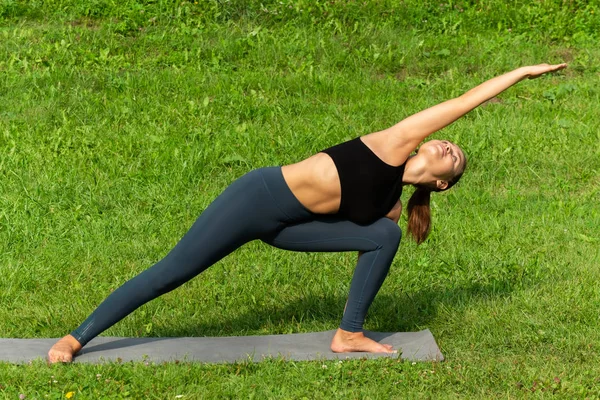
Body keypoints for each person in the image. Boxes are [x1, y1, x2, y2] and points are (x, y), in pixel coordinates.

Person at [48, 63, 566, 363]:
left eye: (453, 157)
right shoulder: (394, 142)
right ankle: (76, 337)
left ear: (442, 183)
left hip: (288, 228)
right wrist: (523, 72)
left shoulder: (389, 206)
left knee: (385, 239)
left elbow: (364, 231)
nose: (447, 144)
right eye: (447, 143)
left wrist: (382, 225)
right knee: (170, 273)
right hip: (256, 199)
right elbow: (465, 100)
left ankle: (349, 333)